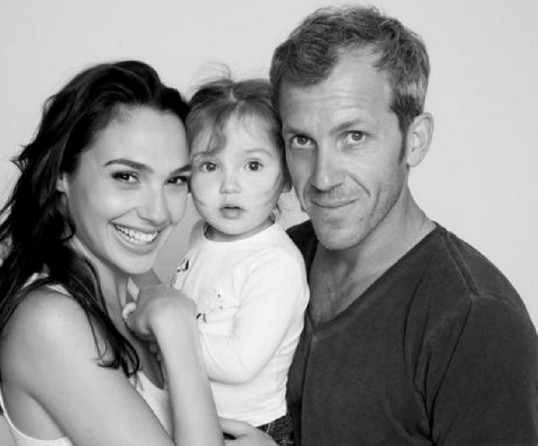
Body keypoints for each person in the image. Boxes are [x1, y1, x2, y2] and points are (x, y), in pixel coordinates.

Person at [266, 5, 538, 446]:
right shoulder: (277, 258)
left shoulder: (475, 319)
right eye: (302, 140)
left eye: (353, 136)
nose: (323, 177)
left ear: (415, 140)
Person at [0, 60, 223, 446]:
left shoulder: (139, 285)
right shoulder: (50, 321)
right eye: (126, 176)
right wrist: (180, 335)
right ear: (62, 173)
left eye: (175, 180)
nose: (158, 213)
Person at [141, 78, 309, 446]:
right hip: (191, 415)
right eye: (209, 166)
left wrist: (168, 336)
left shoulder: (275, 263)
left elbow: (239, 362)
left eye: (253, 165)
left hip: (247, 429)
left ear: (285, 177)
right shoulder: (200, 235)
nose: (229, 185)